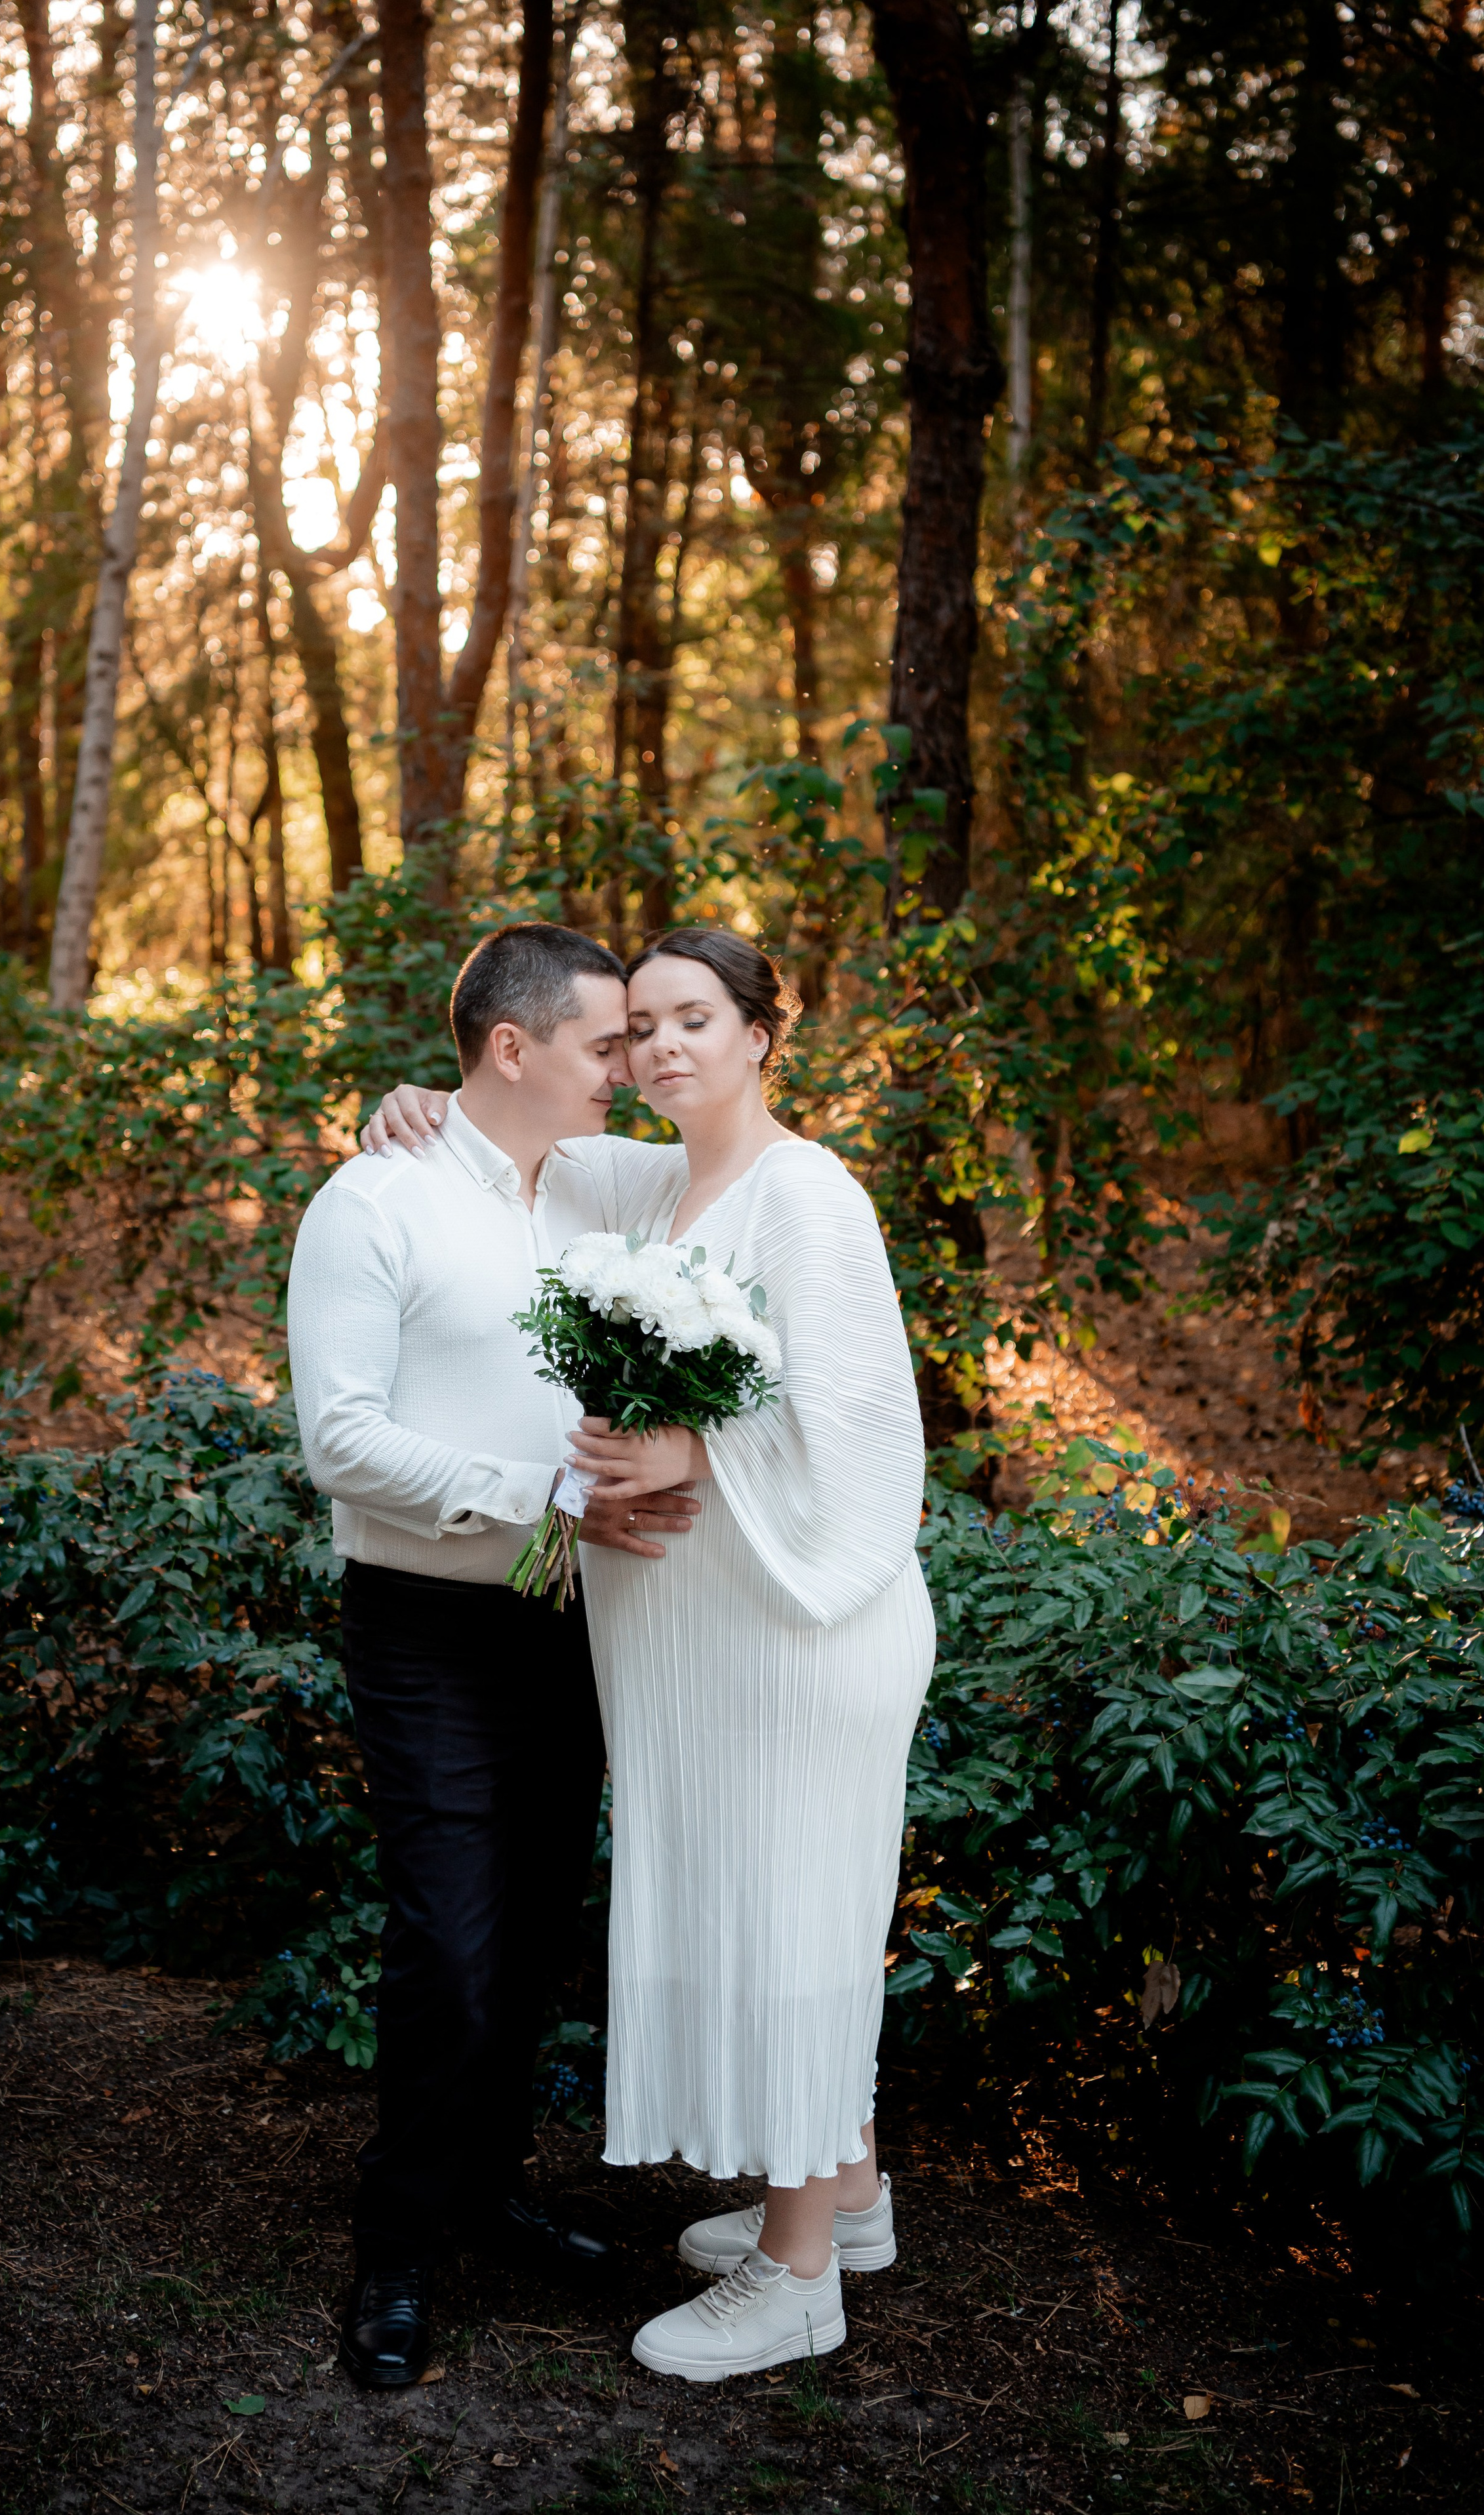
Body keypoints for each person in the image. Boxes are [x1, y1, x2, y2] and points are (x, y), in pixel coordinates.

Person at [364, 926, 934, 2383]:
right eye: (637, 1031)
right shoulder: (660, 1177)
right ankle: (845, 2191)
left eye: (693, 1019)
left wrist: (692, 1441)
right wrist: (406, 1102)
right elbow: (509, 1136)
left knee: (802, 1918)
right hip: (701, 1642)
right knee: (768, 1897)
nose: (657, 1049)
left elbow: (865, 1429)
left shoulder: (807, 1197)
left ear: (762, 1032)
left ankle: (796, 2274)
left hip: (800, 1629)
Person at [285, 923, 698, 2393]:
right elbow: (334, 1439)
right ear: (512, 1049)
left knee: (528, 1939)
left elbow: (740, 1152)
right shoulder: (371, 1200)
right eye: (606, 1044)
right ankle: (394, 2243)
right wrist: (545, 1499)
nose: (631, 1068)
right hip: (429, 1630)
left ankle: (485, 2187)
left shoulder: (602, 1187)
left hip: (578, 1622)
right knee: (450, 1951)